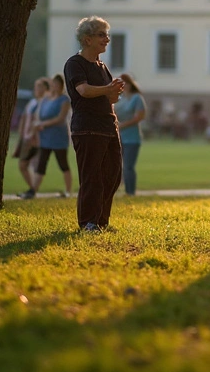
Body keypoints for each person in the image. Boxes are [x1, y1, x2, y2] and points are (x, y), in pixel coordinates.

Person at [65, 17, 125, 231]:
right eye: (101, 35)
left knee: (113, 175)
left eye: (106, 35)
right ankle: (88, 222)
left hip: (109, 127)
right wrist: (107, 89)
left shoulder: (102, 66)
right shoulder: (75, 64)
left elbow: (110, 99)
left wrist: (114, 91)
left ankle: (101, 221)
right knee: (92, 177)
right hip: (87, 128)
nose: (106, 39)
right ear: (87, 39)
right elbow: (84, 90)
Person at [27, 73, 74, 199]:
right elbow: (38, 113)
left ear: (61, 86)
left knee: (62, 163)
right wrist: (38, 124)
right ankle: (33, 190)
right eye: (53, 84)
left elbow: (60, 118)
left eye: (57, 85)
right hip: (45, 136)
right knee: (41, 163)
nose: (55, 87)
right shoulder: (46, 99)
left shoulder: (64, 100)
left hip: (58, 137)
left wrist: (43, 123)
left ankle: (68, 191)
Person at [13, 77, 48, 192]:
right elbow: (24, 117)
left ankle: (33, 190)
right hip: (27, 137)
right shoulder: (32, 102)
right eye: (36, 86)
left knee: (35, 165)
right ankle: (33, 189)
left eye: (39, 86)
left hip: (39, 139)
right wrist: (22, 135)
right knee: (23, 165)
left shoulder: (46, 103)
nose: (36, 89)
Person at [115, 72, 147, 195]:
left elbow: (139, 116)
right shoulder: (119, 99)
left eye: (125, 83)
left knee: (128, 166)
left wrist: (122, 125)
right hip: (118, 137)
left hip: (132, 138)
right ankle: (118, 188)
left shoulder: (137, 98)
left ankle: (130, 192)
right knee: (118, 165)